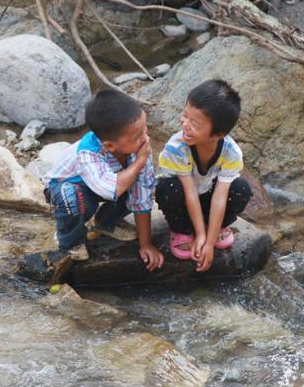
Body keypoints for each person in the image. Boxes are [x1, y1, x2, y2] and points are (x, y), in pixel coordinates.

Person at [44, 89, 164, 271]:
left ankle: (104, 223)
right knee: (74, 198)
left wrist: (145, 244)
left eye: (145, 128)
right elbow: (110, 189)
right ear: (109, 145)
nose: (145, 137)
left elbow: (142, 196)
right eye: (138, 136)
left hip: (106, 184)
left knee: (141, 184)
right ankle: (69, 241)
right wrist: (139, 162)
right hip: (67, 188)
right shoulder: (87, 153)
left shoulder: (139, 148)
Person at [155, 79, 252, 272]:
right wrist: (200, 236)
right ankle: (183, 230)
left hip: (210, 199)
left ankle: (215, 228)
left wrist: (209, 242)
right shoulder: (176, 147)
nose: (185, 125)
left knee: (241, 189)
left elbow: (220, 197)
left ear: (217, 135)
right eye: (185, 116)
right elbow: (189, 192)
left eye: (195, 123)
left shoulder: (231, 152)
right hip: (185, 200)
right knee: (168, 189)